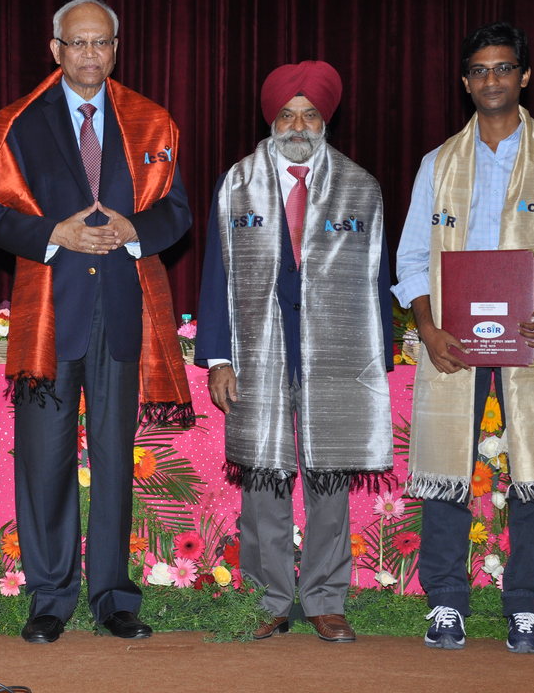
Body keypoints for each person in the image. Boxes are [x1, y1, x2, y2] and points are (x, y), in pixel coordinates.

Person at [393, 22, 534, 653]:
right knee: (446, 467)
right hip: (454, 341)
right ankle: (445, 603)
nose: (491, 79)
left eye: (503, 68)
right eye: (479, 70)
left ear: (525, 76)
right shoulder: (437, 163)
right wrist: (428, 329)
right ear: (465, 82)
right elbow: (411, 257)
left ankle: (525, 608)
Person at [0, 0, 193, 644]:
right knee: (44, 461)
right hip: (50, 317)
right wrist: (54, 233)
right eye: (78, 43)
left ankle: (112, 598)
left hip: (121, 316)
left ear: (116, 49)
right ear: (56, 49)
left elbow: (177, 213)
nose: (91, 54)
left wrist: (135, 229)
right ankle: (49, 598)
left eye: (102, 43)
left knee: (114, 461)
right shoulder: (17, 122)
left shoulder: (150, 120)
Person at [195, 62, 394, 643]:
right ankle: (271, 598)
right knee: (264, 474)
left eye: (309, 114)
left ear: (325, 119)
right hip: (257, 347)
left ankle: (326, 599)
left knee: (329, 475)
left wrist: (375, 361)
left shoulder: (360, 186)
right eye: (287, 114)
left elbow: (376, 277)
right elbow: (215, 274)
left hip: (336, 352)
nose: (298, 125)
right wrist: (218, 356)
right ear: (272, 120)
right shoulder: (237, 182)